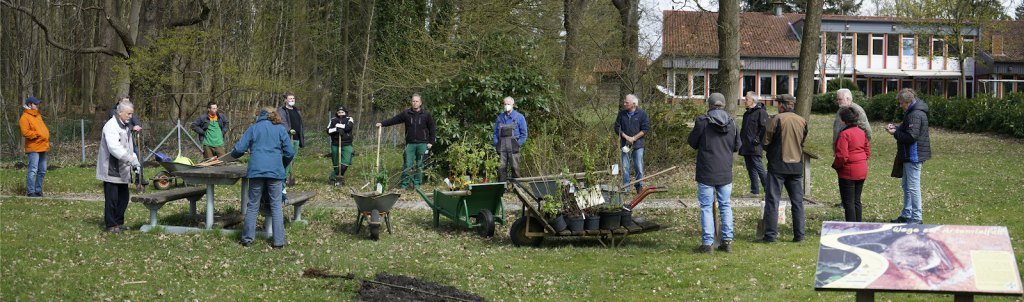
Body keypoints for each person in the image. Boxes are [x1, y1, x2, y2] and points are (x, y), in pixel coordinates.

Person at [230, 107, 295, 248]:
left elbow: (239, 149)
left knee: (253, 205)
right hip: (275, 172)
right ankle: (278, 241)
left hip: (256, 171)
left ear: (260, 115)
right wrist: (281, 165)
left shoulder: (253, 128)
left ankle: (247, 239)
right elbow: (290, 152)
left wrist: (232, 156)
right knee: (276, 206)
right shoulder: (280, 129)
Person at [686, 93, 740, 254]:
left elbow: (692, 142)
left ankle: (708, 244)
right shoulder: (732, 123)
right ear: (723, 105)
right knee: (725, 206)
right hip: (724, 171)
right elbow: (737, 146)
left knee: (706, 207)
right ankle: (727, 242)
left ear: (709, 105)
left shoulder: (702, 122)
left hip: (707, 171)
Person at [757, 94, 807, 243]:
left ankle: (770, 236)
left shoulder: (776, 119)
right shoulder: (803, 121)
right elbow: (803, 142)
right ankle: (799, 236)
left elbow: (764, 141)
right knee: (797, 203)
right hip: (796, 167)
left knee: (773, 202)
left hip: (778, 167)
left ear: (781, 105)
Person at [887, 88, 930, 225]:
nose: (900, 106)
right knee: (906, 185)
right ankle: (906, 214)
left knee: (913, 187)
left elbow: (911, 136)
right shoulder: (912, 112)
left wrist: (895, 134)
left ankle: (916, 217)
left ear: (909, 101)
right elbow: (909, 131)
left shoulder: (914, 114)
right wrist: (898, 129)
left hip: (913, 156)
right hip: (909, 156)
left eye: (901, 103)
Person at [376, 94, 437, 189]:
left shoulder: (426, 114)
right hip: (410, 144)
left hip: (423, 144)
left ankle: (416, 185)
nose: (415, 103)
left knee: (420, 165)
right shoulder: (406, 114)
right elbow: (394, 120)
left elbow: (432, 129)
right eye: (413, 101)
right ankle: (404, 185)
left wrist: (431, 143)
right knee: (407, 165)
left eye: (417, 101)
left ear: (420, 103)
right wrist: (382, 123)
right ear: (411, 102)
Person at [97, 101, 139, 234]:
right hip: (111, 168)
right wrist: (130, 159)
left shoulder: (125, 126)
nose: (130, 116)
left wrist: (135, 159)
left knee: (123, 198)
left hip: (122, 168)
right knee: (112, 199)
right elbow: (114, 147)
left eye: (131, 114)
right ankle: (110, 225)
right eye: (128, 113)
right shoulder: (111, 126)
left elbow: (128, 147)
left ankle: (119, 222)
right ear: (119, 112)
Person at [832, 107, 870, 222]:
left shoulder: (844, 134)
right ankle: (858, 226)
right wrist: (860, 160)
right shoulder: (862, 132)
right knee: (856, 201)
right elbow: (867, 151)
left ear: (843, 120)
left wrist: (836, 166)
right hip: (861, 169)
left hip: (848, 171)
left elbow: (842, 155)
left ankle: (851, 228)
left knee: (848, 202)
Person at [613, 94, 650, 194]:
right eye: (624, 102)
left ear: (633, 104)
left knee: (638, 165)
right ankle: (626, 187)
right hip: (625, 146)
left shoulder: (642, 114)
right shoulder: (621, 114)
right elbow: (617, 128)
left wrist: (634, 138)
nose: (624, 104)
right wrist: (626, 137)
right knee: (625, 167)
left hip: (638, 146)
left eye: (627, 103)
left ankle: (639, 185)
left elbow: (645, 129)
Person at [108, 95, 147, 185]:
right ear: (120, 103)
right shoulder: (114, 113)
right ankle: (118, 178)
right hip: (119, 142)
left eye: (128, 102)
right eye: (125, 102)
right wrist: (132, 128)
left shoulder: (130, 112)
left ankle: (139, 178)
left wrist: (137, 126)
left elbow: (137, 122)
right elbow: (121, 125)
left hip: (128, 142)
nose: (130, 116)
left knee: (138, 153)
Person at [739, 91, 768, 199]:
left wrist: (757, 140)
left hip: (755, 146)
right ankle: (754, 191)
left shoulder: (761, 112)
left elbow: (764, 128)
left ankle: (768, 190)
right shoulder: (746, 114)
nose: (744, 101)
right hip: (746, 145)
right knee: (750, 169)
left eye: (746, 99)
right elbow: (743, 129)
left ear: (753, 101)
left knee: (758, 167)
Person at [492, 96, 528, 182]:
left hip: (513, 146)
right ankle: (502, 188)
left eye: (508, 104)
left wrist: (518, 144)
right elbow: (495, 134)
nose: (506, 105)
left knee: (515, 168)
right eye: (505, 104)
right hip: (501, 146)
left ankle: (516, 188)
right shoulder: (500, 118)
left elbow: (524, 134)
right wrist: (496, 144)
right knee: (501, 168)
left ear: (513, 105)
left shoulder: (519, 117)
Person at [20, 96, 50, 197]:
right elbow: (25, 132)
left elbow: (43, 129)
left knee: (42, 169)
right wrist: (36, 135)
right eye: (35, 104)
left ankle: (38, 190)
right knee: (33, 169)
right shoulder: (24, 117)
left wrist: (45, 134)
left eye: (37, 104)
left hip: (42, 146)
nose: (37, 105)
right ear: (29, 105)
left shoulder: (38, 116)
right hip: (33, 147)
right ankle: (31, 191)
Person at [277, 92, 304, 187]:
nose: (292, 100)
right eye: (290, 98)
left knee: (293, 157)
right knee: (288, 156)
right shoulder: (282, 110)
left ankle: (288, 174)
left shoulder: (296, 110)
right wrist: (288, 130)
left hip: (296, 137)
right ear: (285, 99)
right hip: (287, 137)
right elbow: (282, 122)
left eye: (293, 98)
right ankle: (284, 175)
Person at [327, 106, 355, 186]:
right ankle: (337, 179)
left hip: (347, 143)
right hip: (336, 143)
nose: (340, 114)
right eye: (339, 112)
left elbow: (349, 127)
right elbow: (328, 130)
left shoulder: (350, 119)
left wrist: (338, 126)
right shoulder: (333, 120)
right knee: (336, 164)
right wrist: (336, 129)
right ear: (337, 113)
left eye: (342, 112)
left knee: (346, 163)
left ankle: (332, 175)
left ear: (345, 112)